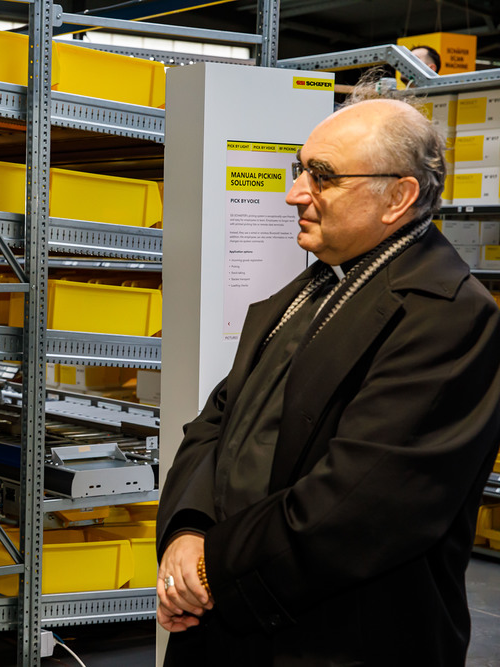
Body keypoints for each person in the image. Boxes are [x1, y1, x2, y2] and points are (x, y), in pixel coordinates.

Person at [155, 93, 500, 665]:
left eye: (323, 176)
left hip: (337, 638)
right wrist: (187, 531)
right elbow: (216, 424)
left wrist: (210, 570)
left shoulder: (448, 316)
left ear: (398, 197)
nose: (295, 193)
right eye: (300, 170)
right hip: (233, 612)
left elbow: (363, 503)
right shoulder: (311, 290)